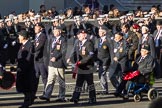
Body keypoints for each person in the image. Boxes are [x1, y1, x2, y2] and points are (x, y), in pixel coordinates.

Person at [39, 26, 67, 102]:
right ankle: (47, 95)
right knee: (50, 79)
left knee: (61, 80)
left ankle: (62, 96)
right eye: (54, 31)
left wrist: (56, 57)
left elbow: (63, 51)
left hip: (58, 63)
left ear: (60, 31)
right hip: (51, 63)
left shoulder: (63, 40)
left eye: (56, 31)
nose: (54, 32)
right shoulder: (52, 39)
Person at [69, 29, 96, 104]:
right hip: (81, 67)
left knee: (90, 83)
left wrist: (82, 61)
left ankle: (92, 98)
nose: (78, 36)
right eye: (78, 35)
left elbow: (91, 55)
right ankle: (75, 97)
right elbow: (76, 54)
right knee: (79, 83)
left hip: (88, 67)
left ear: (84, 35)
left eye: (80, 34)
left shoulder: (88, 43)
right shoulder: (78, 43)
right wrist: (71, 59)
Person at [16, 30, 36, 108]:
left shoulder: (30, 45)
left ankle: (27, 102)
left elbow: (29, 58)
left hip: (27, 70)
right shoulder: (22, 45)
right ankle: (29, 98)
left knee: (26, 86)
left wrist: (22, 68)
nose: (18, 37)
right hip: (21, 69)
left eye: (20, 36)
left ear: (23, 37)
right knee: (21, 87)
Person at [33, 23, 48, 97]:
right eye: (35, 27)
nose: (35, 28)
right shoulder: (36, 36)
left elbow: (39, 47)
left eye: (37, 27)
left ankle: (46, 93)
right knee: (35, 77)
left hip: (41, 59)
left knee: (44, 77)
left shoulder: (43, 36)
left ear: (41, 29)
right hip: (36, 60)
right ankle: (33, 93)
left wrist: (32, 53)